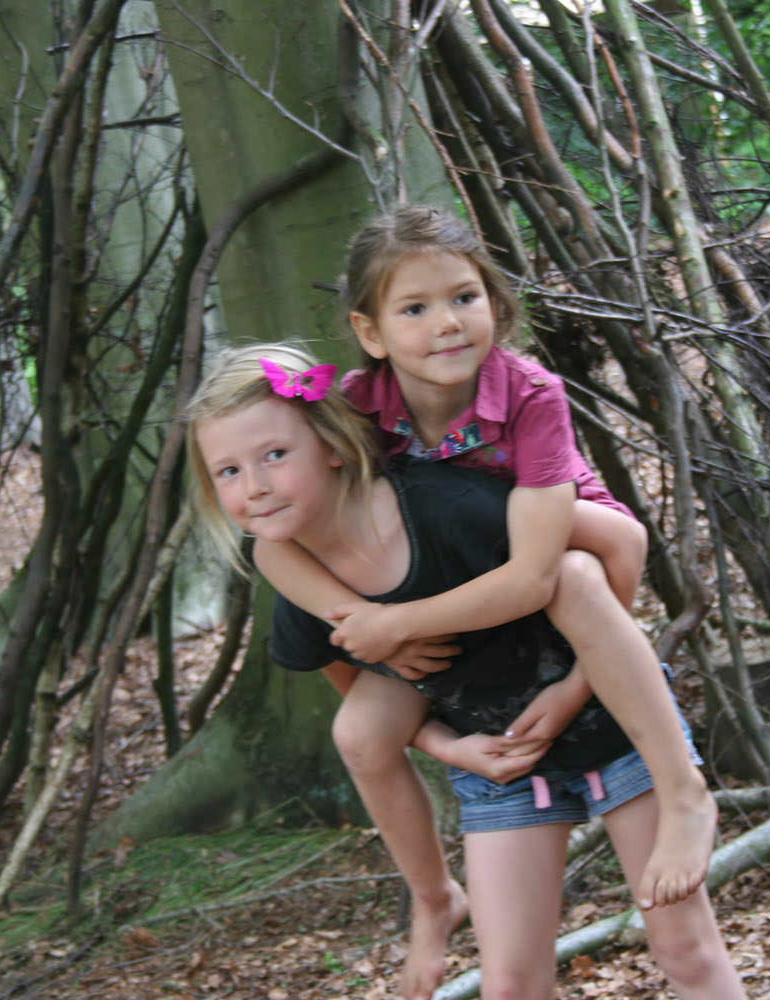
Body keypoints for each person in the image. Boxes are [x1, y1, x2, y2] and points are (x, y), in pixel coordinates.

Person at [186, 346, 743, 1000]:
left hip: (614, 729)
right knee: (507, 985)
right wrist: (452, 749)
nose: (253, 486)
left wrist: (573, 689)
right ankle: (433, 898)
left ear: (333, 445)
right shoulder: (300, 581)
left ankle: (686, 791)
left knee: (684, 950)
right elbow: (359, 697)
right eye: (228, 471)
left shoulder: (447, 505)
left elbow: (614, 553)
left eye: (274, 456)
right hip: (501, 765)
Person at [252, 206, 708, 915]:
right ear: (369, 332)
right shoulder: (355, 411)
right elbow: (278, 540)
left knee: (585, 564)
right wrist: (363, 622)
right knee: (362, 732)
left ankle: (683, 788)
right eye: (415, 308)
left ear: (494, 302)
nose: (447, 323)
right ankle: (435, 897)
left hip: (552, 549)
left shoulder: (528, 394)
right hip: (470, 581)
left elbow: (558, 567)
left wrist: (396, 623)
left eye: (464, 298)